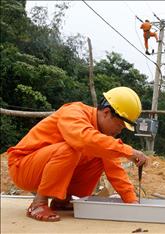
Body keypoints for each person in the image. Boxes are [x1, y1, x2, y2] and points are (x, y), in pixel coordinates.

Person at [7, 87, 149, 222]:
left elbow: (115, 170)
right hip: (22, 167)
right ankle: (38, 204)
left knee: (102, 154)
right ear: (106, 112)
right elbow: (84, 140)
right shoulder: (74, 112)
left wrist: (132, 201)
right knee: (72, 148)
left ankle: (62, 201)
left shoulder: (101, 137)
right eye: (120, 126)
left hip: (41, 167)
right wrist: (128, 151)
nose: (119, 131)